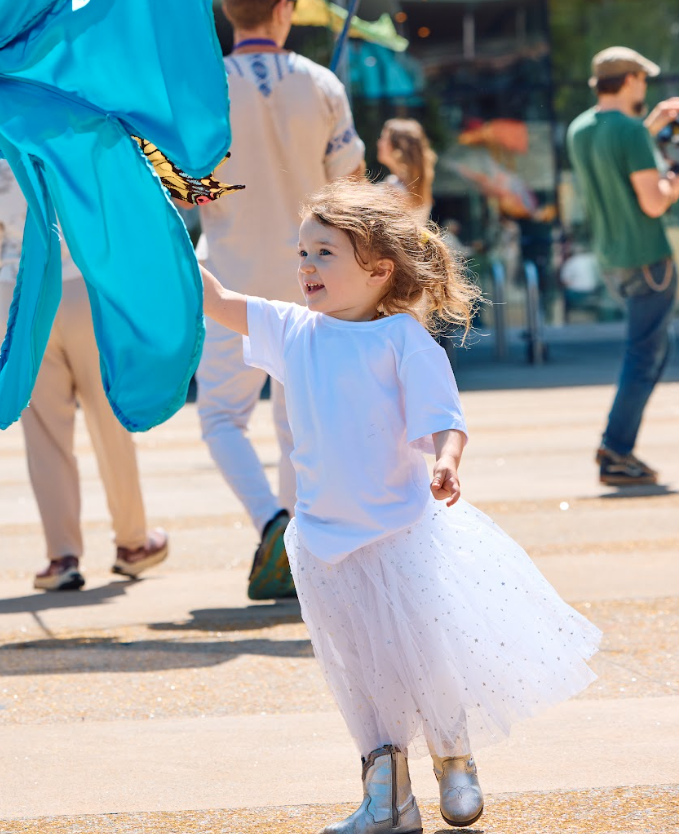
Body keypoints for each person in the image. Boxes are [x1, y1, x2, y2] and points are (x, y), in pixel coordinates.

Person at [200, 180, 600, 834]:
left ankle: (454, 758)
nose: (306, 266)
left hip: (399, 534)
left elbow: (446, 418)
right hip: (323, 542)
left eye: (325, 253)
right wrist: (158, 222)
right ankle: (387, 796)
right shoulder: (292, 328)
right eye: (302, 252)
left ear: (378, 270)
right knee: (358, 668)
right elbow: (216, 299)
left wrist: (445, 460)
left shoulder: (402, 341)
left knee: (425, 654)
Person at [195, 0, 365, 600]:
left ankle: (271, 522)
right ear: (283, 9)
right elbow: (351, 188)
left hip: (228, 280)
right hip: (310, 283)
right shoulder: (321, 83)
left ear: (229, 11)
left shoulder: (202, 87)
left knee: (221, 418)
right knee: (298, 425)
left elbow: (182, 190)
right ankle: (299, 549)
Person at [0, 158, 168, 591]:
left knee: (43, 434)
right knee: (110, 420)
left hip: (21, 297)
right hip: (87, 290)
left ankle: (62, 557)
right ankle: (133, 544)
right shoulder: (77, 143)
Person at [565, 46, 679, 488]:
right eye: (644, 79)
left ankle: (618, 447)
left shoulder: (579, 128)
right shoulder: (631, 133)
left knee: (655, 349)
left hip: (613, 260)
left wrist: (650, 124)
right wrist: (678, 178)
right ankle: (615, 450)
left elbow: (615, 144)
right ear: (632, 79)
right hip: (648, 257)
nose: (646, 86)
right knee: (644, 356)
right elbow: (653, 202)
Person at [376, 117, 436, 221]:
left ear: (396, 146)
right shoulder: (419, 186)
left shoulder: (393, 189)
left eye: (383, 138)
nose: (379, 143)